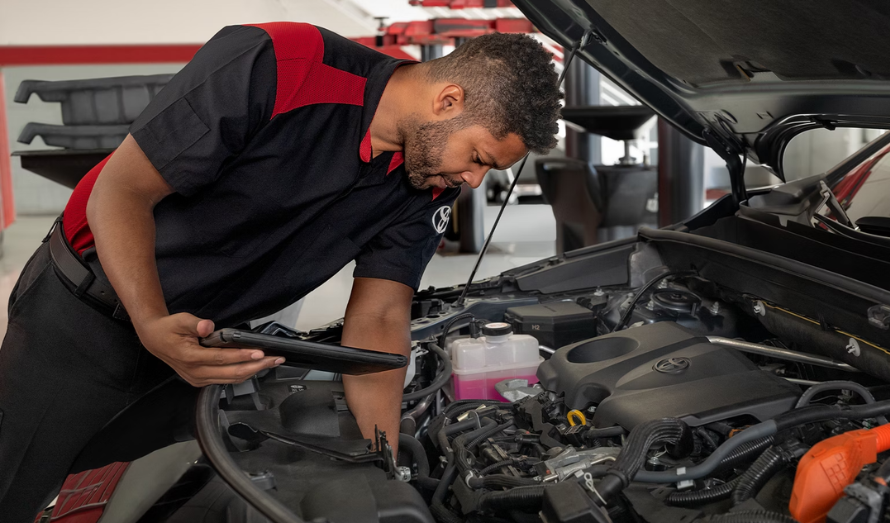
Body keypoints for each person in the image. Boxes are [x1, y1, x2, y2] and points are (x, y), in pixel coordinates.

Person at [0, 22, 562, 521]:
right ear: (447, 101)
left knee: (154, 499)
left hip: (205, 347)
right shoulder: (281, 65)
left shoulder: (426, 184)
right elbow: (121, 191)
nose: (473, 181)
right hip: (85, 317)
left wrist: (386, 465)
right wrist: (150, 321)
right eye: (479, 158)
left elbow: (380, 315)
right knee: (14, 488)